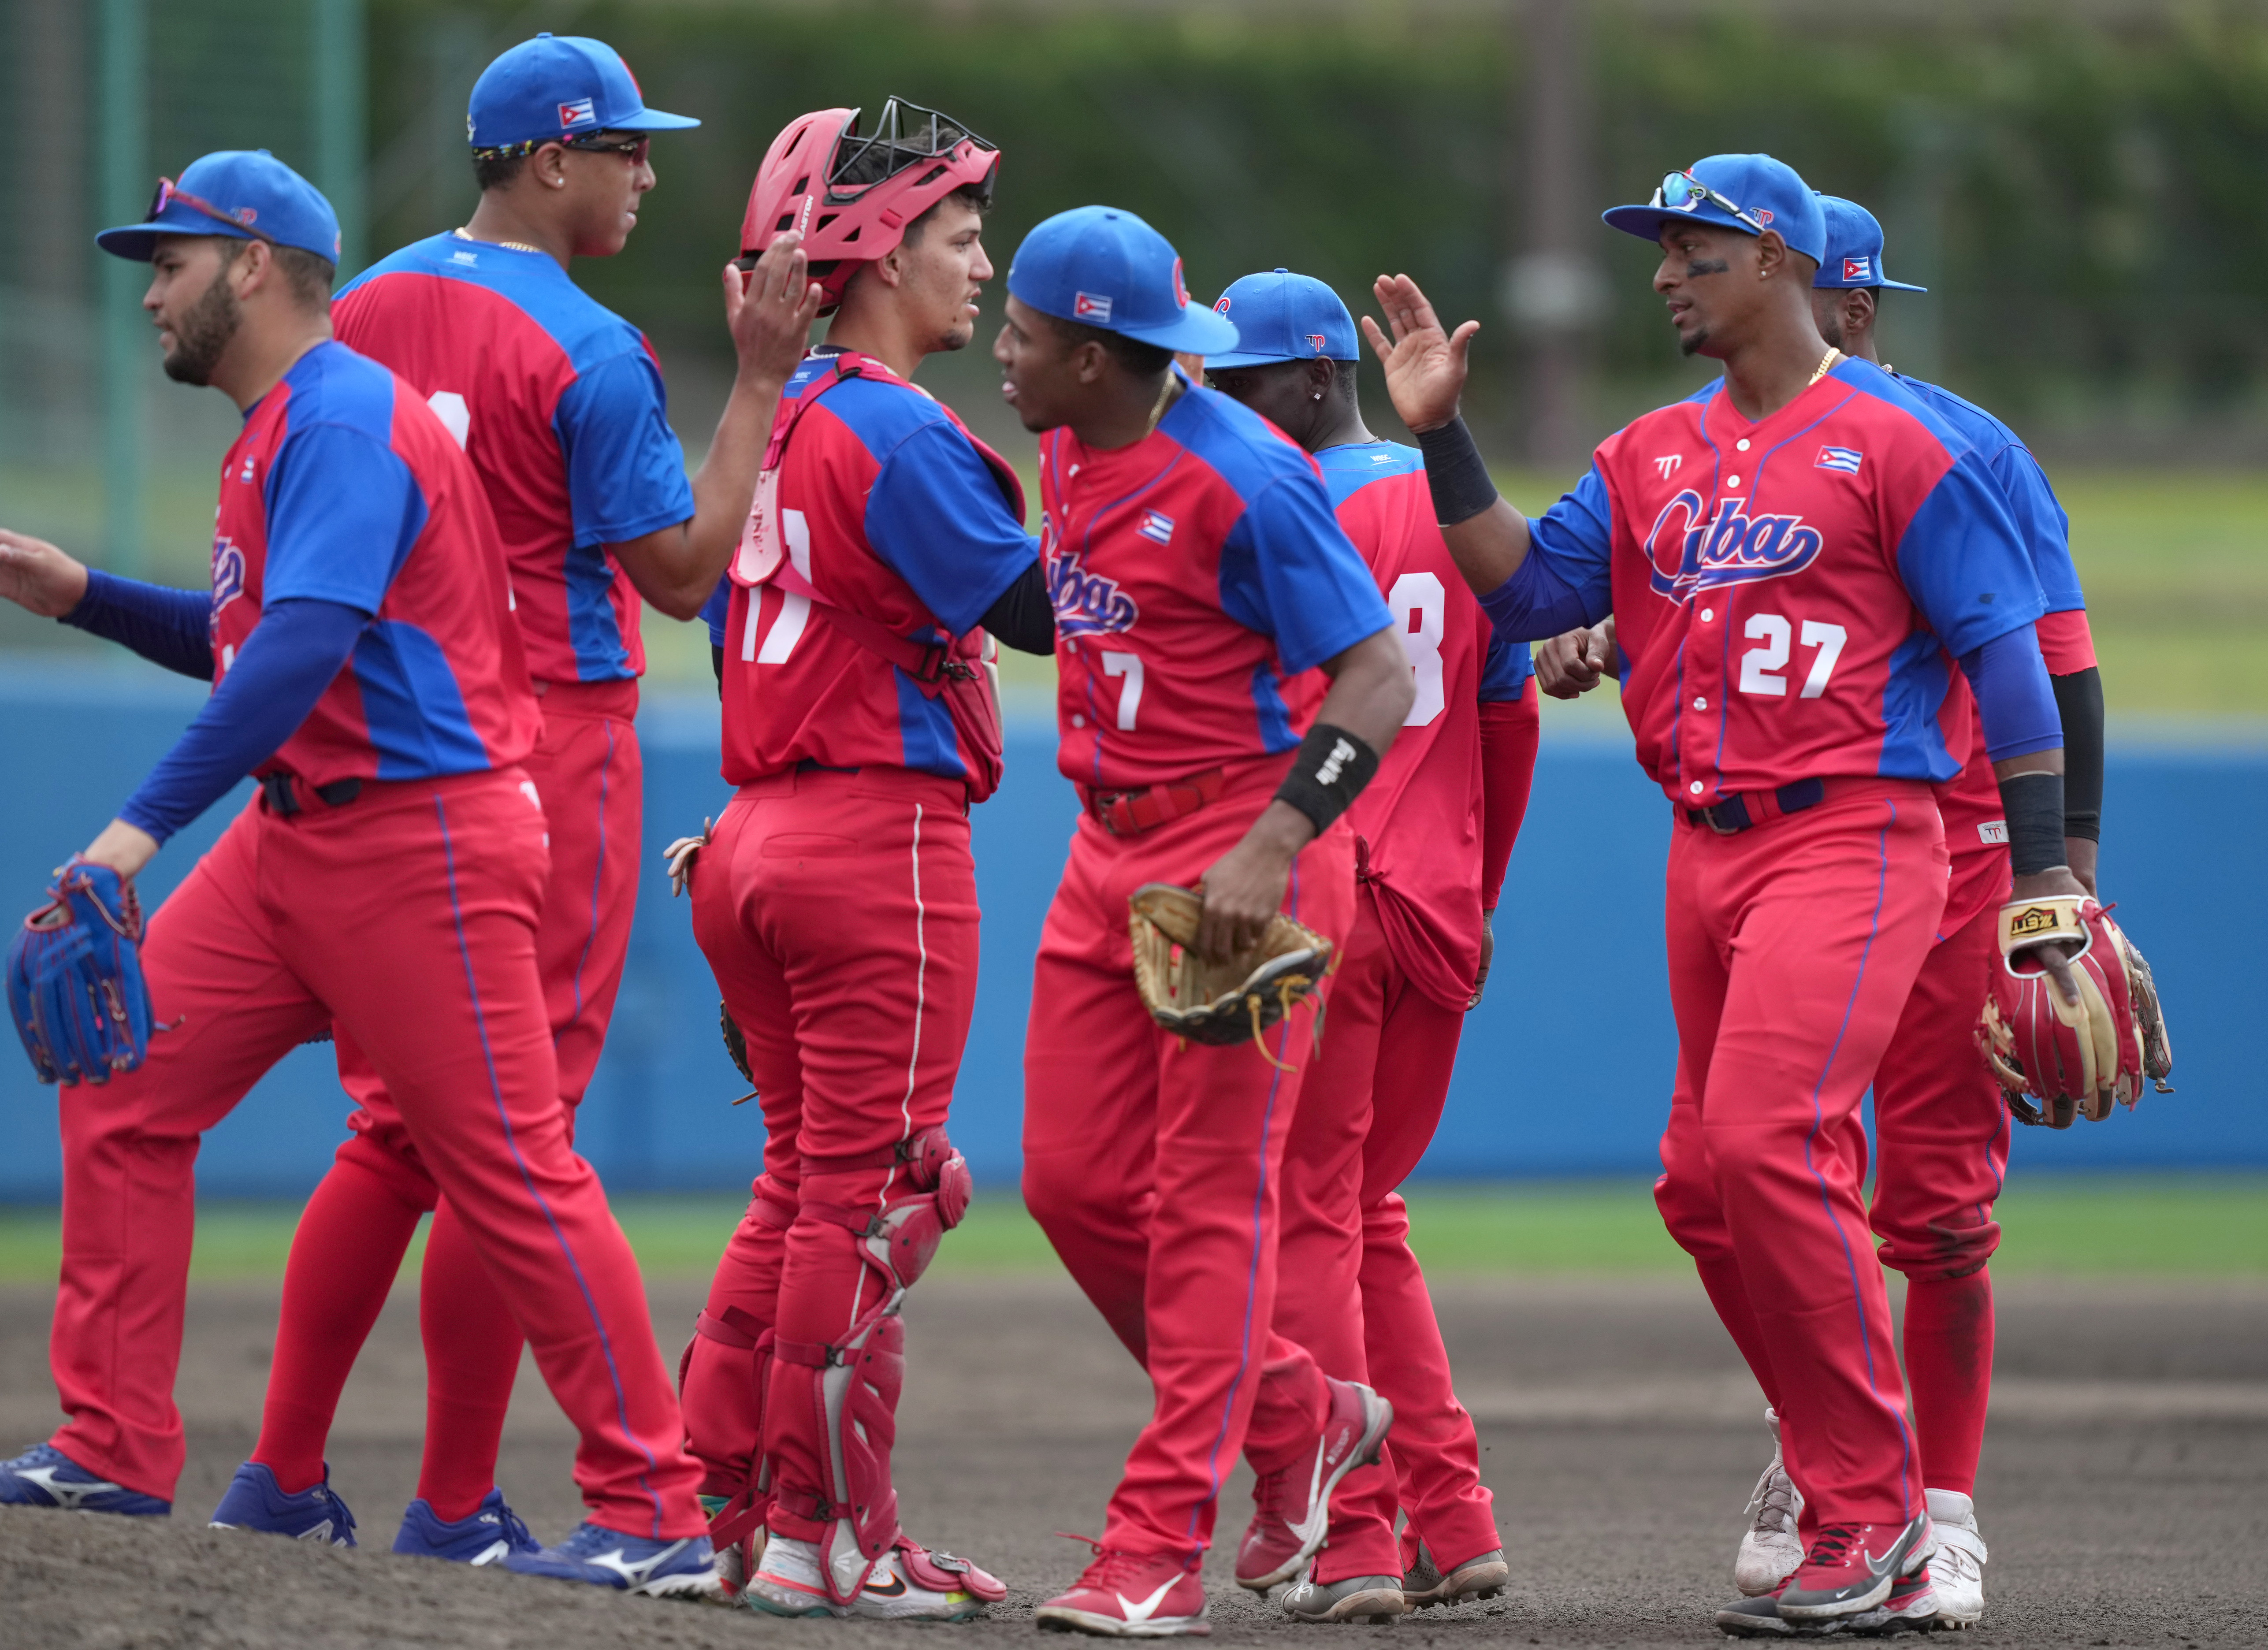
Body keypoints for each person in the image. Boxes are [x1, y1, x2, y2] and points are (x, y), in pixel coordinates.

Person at [1361, 154, 2090, 1635]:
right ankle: (1846, 1476)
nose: (1661, 276)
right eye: (1659, 250)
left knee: (1773, 1140)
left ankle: (1877, 1513)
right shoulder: (1650, 452)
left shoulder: (1900, 441)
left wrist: (2045, 882)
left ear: (1773, 259)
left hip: (1857, 831)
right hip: (1706, 848)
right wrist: (1441, 438)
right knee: (1701, 1182)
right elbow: (1528, 595)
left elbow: (2016, 666)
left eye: (1690, 249)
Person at [0, 150, 718, 1595]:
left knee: (508, 1167)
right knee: (127, 1086)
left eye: (172, 265)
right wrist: (82, 595)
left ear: (254, 266)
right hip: (297, 838)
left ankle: (655, 1510)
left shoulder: (340, 417)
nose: (151, 296)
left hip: (420, 842)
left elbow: (303, 649)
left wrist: (133, 831)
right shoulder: (282, 425)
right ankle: (113, 1442)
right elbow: (253, 642)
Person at [212, 32, 820, 1565]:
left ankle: (282, 1475)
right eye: (624, 147)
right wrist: (760, 380)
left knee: (398, 1130)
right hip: (546, 740)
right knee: (511, 1134)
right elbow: (680, 576)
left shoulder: (360, 302)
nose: (646, 174)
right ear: (552, 158)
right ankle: (451, 1502)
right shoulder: (593, 348)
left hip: (386, 723)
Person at [995, 206, 1415, 1638]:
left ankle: (1156, 1548)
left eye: (1024, 335)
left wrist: (1277, 840)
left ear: (1093, 354)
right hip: (1102, 846)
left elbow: (1376, 678)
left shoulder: (1248, 478)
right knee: (1069, 1185)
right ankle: (1301, 1414)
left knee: (1206, 1208)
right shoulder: (1067, 445)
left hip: (1239, 849)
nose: (1002, 351)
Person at [674, 99, 1045, 1622]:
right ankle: (830, 1539)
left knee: (797, 1192)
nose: (982, 266)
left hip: (751, 832)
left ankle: (734, 1523)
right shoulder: (892, 425)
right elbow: (1040, 614)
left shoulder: (773, 418)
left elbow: (721, 624)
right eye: (961, 235)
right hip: (870, 836)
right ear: (882, 251)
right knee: (883, 1197)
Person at [1202, 268, 1538, 1621]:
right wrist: (1481, 892)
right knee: (1360, 1212)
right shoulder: (1450, 508)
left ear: (1315, 378)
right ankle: (1449, 1516)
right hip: (1438, 903)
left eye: (1242, 385)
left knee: (1304, 1217)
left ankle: (1352, 1535)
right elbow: (1508, 713)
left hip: (1324, 898)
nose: (1223, 408)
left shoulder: (1267, 506)